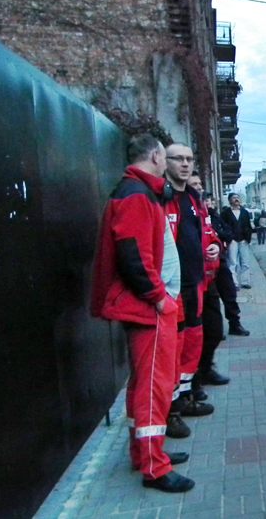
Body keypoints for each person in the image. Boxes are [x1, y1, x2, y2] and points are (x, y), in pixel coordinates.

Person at [90, 133, 194, 493]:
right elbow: (134, 255)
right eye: (166, 158)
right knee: (154, 386)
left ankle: (147, 452)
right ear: (154, 156)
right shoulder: (136, 196)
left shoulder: (138, 192)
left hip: (148, 307)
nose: (169, 165)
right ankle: (154, 466)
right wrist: (158, 297)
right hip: (148, 309)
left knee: (145, 385)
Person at [163, 143, 217, 439]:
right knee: (175, 350)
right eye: (178, 159)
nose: (184, 164)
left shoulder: (194, 198)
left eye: (188, 159)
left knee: (192, 344)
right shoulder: (163, 197)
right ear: (165, 161)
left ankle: (185, 396)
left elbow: (205, 232)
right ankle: (171, 411)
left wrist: (213, 247)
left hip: (196, 281)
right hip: (173, 288)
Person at [186, 174, 232, 399]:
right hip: (192, 284)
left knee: (214, 330)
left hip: (209, 279)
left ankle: (205, 369)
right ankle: (192, 382)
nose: (198, 188)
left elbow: (212, 236)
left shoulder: (202, 210)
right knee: (193, 336)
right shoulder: (180, 207)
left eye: (200, 185)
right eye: (194, 184)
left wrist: (215, 246)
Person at [204, 193, 250, 337]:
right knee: (210, 299)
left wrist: (220, 239)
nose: (209, 203)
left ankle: (235, 324)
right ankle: (214, 330)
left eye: (210, 200)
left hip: (220, 259)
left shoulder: (216, 216)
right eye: (206, 200)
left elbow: (226, 231)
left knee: (229, 293)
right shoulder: (197, 216)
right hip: (203, 264)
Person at [221, 193, 253, 289]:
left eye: (237, 197)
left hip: (244, 240)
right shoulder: (225, 213)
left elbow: (248, 226)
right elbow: (223, 226)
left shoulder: (245, 212)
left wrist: (248, 238)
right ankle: (234, 283)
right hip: (232, 241)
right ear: (230, 200)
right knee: (232, 263)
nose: (236, 199)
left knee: (245, 262)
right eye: (234, 198)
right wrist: (227, 238)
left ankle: (245, 281)